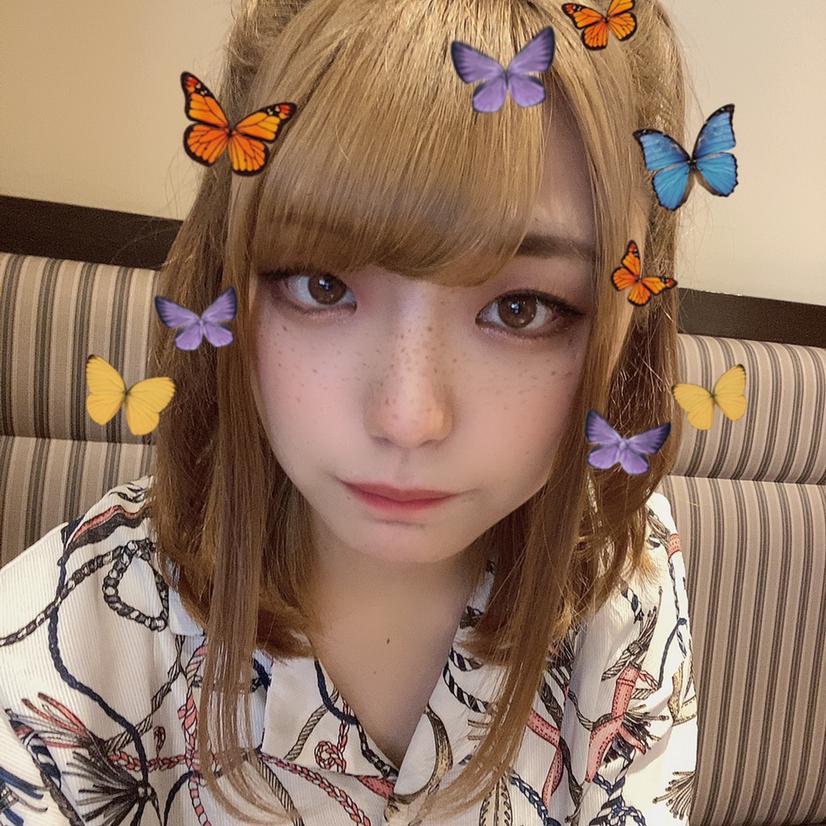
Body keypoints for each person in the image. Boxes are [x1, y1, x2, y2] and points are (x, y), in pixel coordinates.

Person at [0, 0, 698, 823]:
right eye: (322, 285)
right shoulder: (73, 642)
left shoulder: (621, 571)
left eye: (522, 309)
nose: (407, 417)